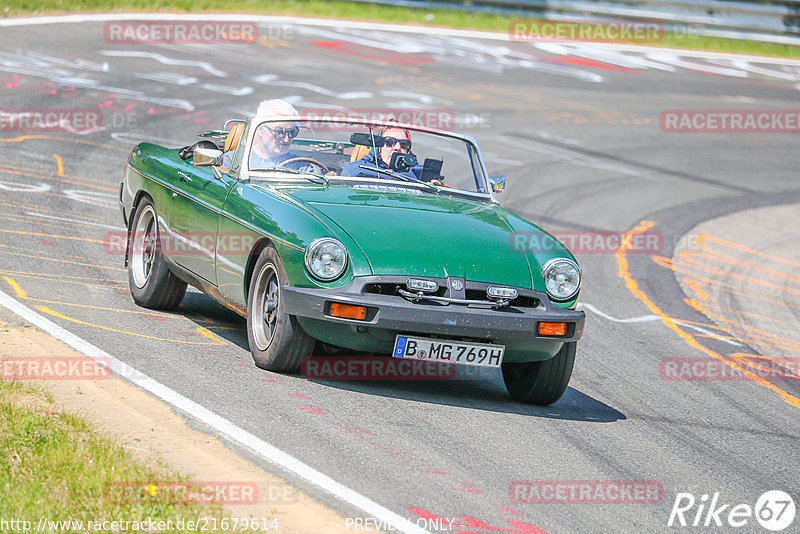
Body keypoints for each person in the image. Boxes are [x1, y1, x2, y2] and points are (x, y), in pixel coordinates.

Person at [221, 99, 301, 170]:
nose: (286, 140)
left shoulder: (301, 165)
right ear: (260, 129)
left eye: (292, 132)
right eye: (279, 132)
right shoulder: (233, 162)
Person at [341, 123, 422, 181]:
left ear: (408, 150)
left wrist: (433, 186)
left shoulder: (419, 173)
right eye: (390, 142)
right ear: (379, 147)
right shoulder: (355, 169)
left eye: (404, 144)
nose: (398, 148)